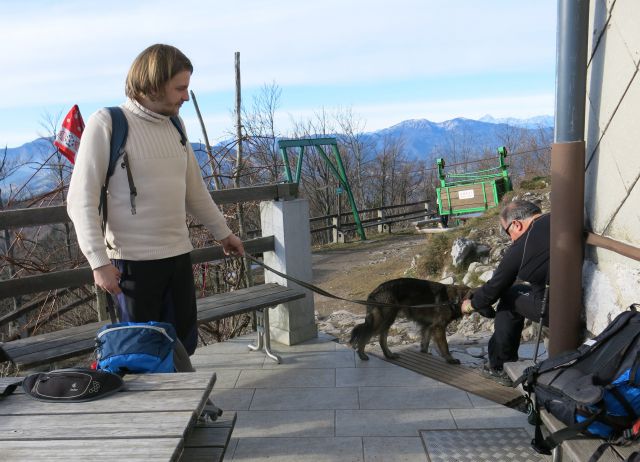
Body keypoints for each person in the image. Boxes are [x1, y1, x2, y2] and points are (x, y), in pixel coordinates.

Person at [67, 44, 244, 357]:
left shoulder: (176, 126)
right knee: (139, 353)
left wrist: (223, 233)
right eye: (180, 88)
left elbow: (194, 190)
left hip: (177, 257)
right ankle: (147, 408)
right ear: (153, 84)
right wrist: (98, 261)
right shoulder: (107, 123)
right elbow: (81, 200)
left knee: (181, 346)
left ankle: (182, 405)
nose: (186, 97)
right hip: (130, 266)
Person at [460, 200, 549, 386]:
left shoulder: (524, 243)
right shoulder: (555, 221)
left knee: (509, 296)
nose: (511, 239)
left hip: (553, 306)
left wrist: (472, 305)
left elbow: (496, 286)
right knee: (517, 290)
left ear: (516, 224)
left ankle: (499, 366)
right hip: (574, 294)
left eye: (507, 232)